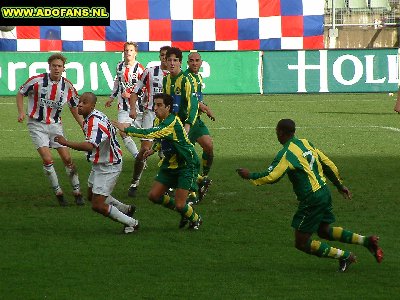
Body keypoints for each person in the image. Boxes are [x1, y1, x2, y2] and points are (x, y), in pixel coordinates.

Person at [237, 119, 383, 272]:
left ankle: (345, 256)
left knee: (301, 242)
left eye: (276, 132)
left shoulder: (287, 153)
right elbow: (328, 164)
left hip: (311, 199)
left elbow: (272, 175)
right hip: (324, 192)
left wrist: (250, 175)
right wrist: (339, 185)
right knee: (324, 231)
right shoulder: (307, 143)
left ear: (280, 132)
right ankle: (367, 241)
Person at [113, 93, 202, 230]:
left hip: (185, 165)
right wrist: (154, 149)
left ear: (168, 107)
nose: (155, 108)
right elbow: (162, 138)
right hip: (169, 164)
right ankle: (183, 211)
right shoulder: (159, 121)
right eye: (155, 104)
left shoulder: (171, 122)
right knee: (154, 196)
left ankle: (195, 219)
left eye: (159, 105)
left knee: (180, 204)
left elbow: (149, 133)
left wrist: (127, 129)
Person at [55, 92, 139, 234]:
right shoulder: (93, 116)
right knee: (90, 195)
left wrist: (65, 143)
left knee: (97, 204)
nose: (80, 104)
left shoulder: (95, 122)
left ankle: (132, 223)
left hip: (109, 165)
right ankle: (126, 209)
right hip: (101, 163)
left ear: (93, 105)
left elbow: (90, 146)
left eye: (84, 102)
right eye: (80, 101)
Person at [16, 53, 84, 206]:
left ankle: (77, 192)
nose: (57, 69)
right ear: (49, 67)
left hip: (55, 126)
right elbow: (21, 93)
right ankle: (59, 193)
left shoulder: (67, 86)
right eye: (54, 66)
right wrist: (21, 111)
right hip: (36, 125)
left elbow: (74, 107)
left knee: (67, 159)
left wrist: (83, 125)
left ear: (63, 68)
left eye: (59, 66)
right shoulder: (37, 81)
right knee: (47, 159)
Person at [126, 45, 171, 198]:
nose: (165, 58)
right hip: (150, 115)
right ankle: (134, 181)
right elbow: (135, 92)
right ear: (160, 56)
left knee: (172, 151)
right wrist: (132, 108)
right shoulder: (150, 72)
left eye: (168, 55)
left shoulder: (177, 76)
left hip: (169, 118)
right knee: (145, 150)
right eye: (163, 55)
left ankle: (169, 185)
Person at [106, 41, 145, 171]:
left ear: (135, 53)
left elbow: (145, 88)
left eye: (131, 50)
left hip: (139, 107)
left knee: (147, 135)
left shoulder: (140, 69)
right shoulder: (119, 67)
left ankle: (161, 152)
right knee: (122, 131)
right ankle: (138, 158)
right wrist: (112, 97)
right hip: (123, 107)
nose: (128, 53)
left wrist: (133, 95)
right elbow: (117, 83)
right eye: (126, 50)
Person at [183, 51, 215, 204]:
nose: (194, 63)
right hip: (186, 122)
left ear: (201, 62)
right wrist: (206, 108)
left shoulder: (199, 77)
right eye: (191, 61)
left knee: (209, 146)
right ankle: (194, 189)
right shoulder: (185, 78)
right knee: (186, 158)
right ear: (187, 63)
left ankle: (204, 176)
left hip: (197, 122)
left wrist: (204, 107)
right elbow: (192, 100)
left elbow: (199, 99)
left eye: (197, 61)